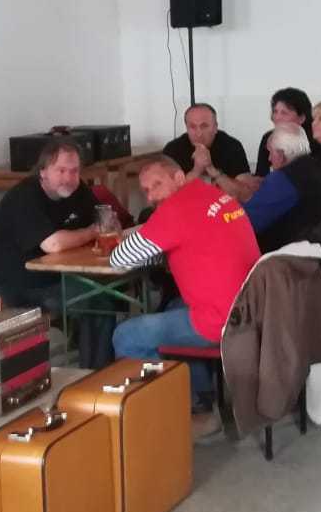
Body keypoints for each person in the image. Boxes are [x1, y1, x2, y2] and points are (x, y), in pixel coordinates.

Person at [109, 157, 262, 438]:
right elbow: (184, 240)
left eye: (157, 185)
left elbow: (119, 258)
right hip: (252, 306)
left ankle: (162, 421)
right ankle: (201, 405)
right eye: (146, 190)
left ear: (179, 177)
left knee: (127, 335)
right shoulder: (211, 193)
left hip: (221, 320)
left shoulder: (174, 210)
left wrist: (127, 239)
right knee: (174, 306)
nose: (151, 196)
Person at [0, 136, 114, 366]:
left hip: (46, 279)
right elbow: (53, 244)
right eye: (61, 170)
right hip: (2, 284)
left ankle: (95, 376)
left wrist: (99, 227)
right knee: (94, 302)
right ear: (43, 171)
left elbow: (107, 222)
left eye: (74, 171)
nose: (68, 178)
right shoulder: (25, 196)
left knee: (100, 301)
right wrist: (91, 232)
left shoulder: (78, 191)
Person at [242, 125, 321, 252]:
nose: (269, 158)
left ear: (281, 155)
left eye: (270, 152)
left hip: (302, 256)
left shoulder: (285, 178)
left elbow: (247, 221)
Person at [161, 103, 253, 198]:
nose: (199, 133)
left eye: (204, 126)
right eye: (192, 127)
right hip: (188, 204)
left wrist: (212, 170)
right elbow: (167, 196)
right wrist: (196, 171)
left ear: (215, 127)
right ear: (186, 128)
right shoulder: (173, 149)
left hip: (224, 204)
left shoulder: (232, 146)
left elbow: (245, 194)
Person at [253, 87, 315, 177]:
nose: (277, 117)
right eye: (275, 111)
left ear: (302, 118)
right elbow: (261, 175)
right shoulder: (268, 138)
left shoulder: (314, 141)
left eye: (284, 113)